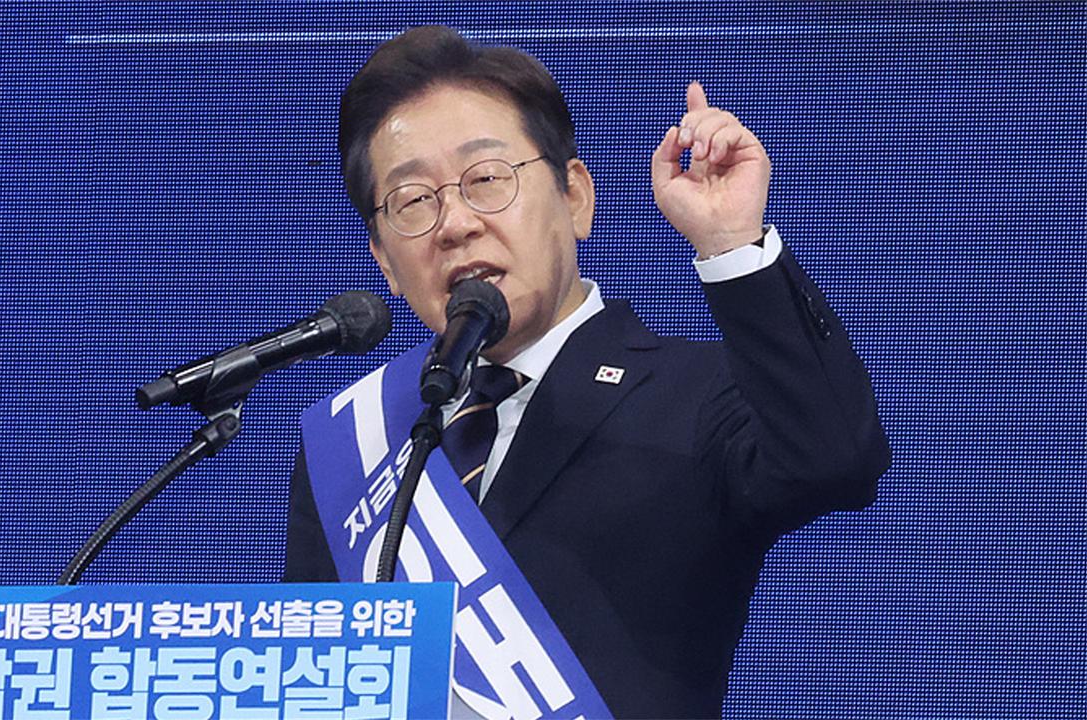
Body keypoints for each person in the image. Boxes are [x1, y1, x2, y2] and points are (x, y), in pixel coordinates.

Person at [284, 26, 891, 719]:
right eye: (413, 200)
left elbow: (835, 460)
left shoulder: (693, 392)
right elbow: (312, 687)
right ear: (384, 260)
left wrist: (730, 243)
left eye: (486, 179)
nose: (454, 223)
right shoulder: (358, 442)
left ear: (575, 197)